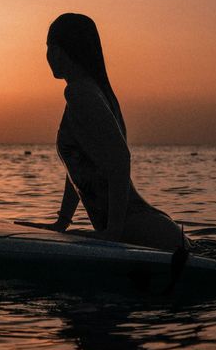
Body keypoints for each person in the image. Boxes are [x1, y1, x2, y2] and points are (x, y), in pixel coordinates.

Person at [20, 13, 187, 253]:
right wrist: (62, 223)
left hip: (140, 232)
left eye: (51, 47)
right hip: (151, 230)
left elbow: (120, 160)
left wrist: (113, 234)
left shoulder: (81, 93)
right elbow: (78, 166)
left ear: (64, 50)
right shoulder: (93, 91)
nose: (49, 55)